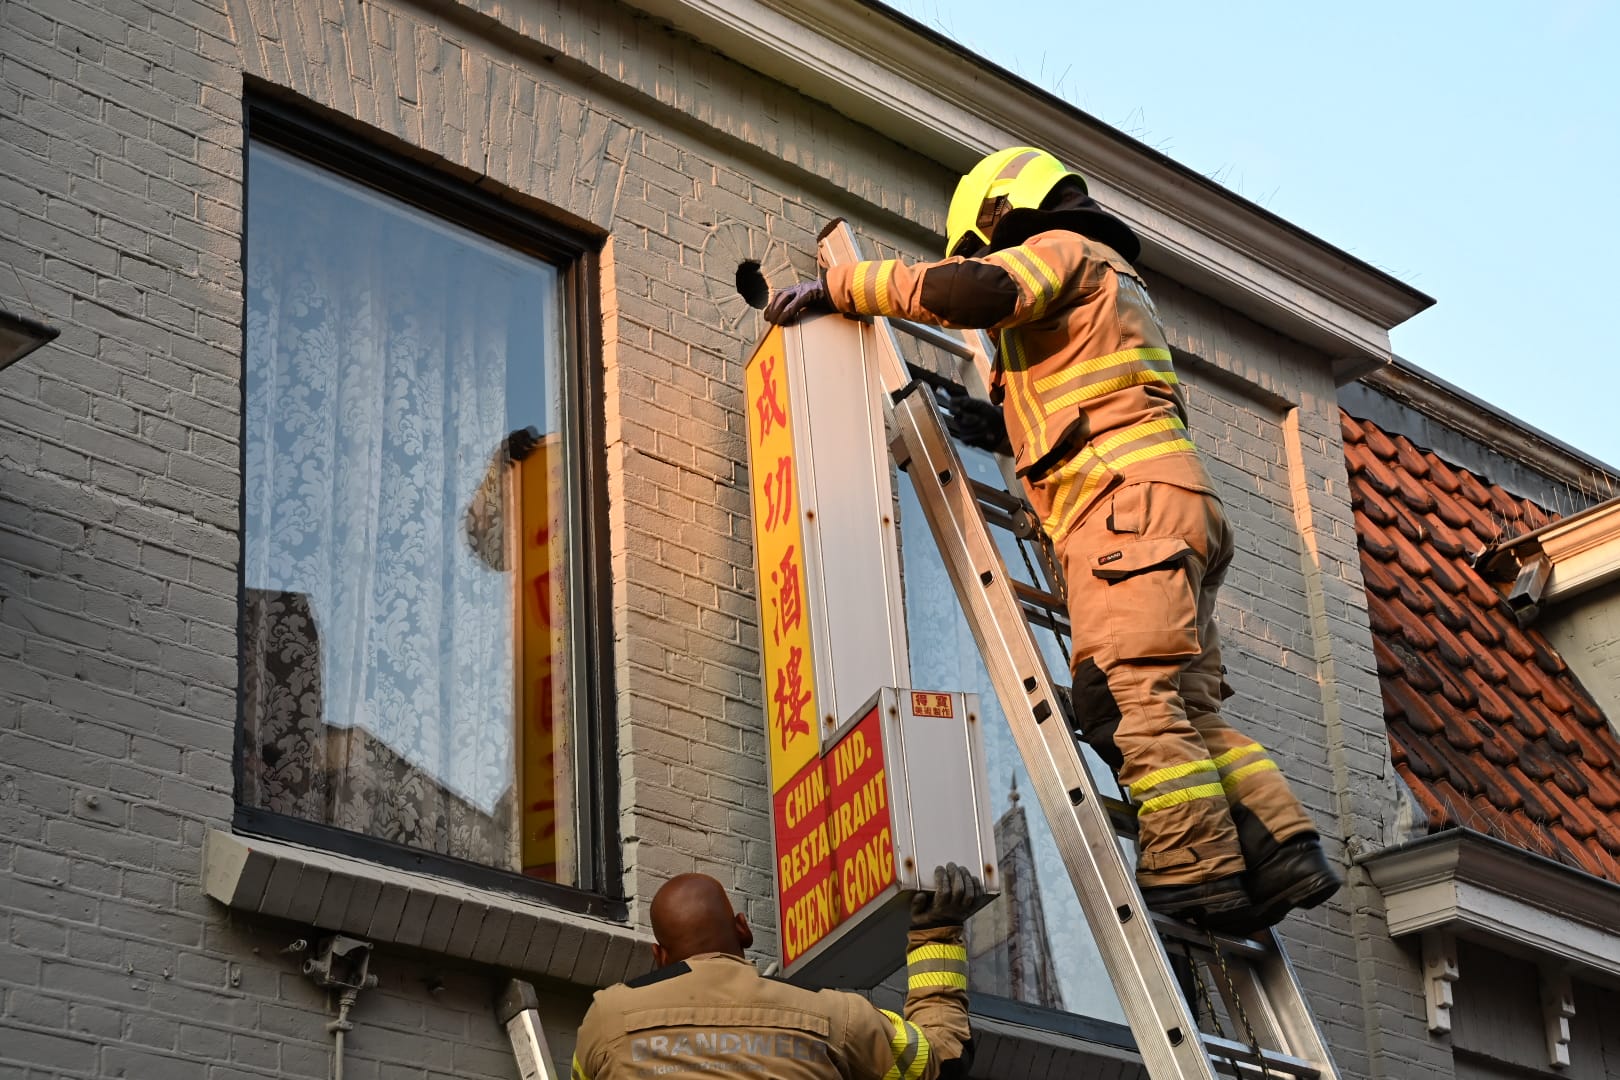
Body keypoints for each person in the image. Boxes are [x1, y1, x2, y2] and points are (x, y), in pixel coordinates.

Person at [763, 147, 1341, 934]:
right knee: (1181, 704)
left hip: (1123, 510)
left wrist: (844, 288)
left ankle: (1195, 869)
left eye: (981, 242)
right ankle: (1280, 849)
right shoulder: (1114, 283)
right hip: (1173, 511)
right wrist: (999, 425)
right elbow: (1095, 394)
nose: (983, 259)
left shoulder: (1059, 249)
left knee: (1120, 695)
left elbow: (978, 291)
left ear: (1000, 215)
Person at [571, 864, 981, 1080]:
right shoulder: (835, 1017)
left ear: (659, 956)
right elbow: (943, 1058)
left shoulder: (605, 1022)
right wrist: (936, 933)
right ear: (743, 929)